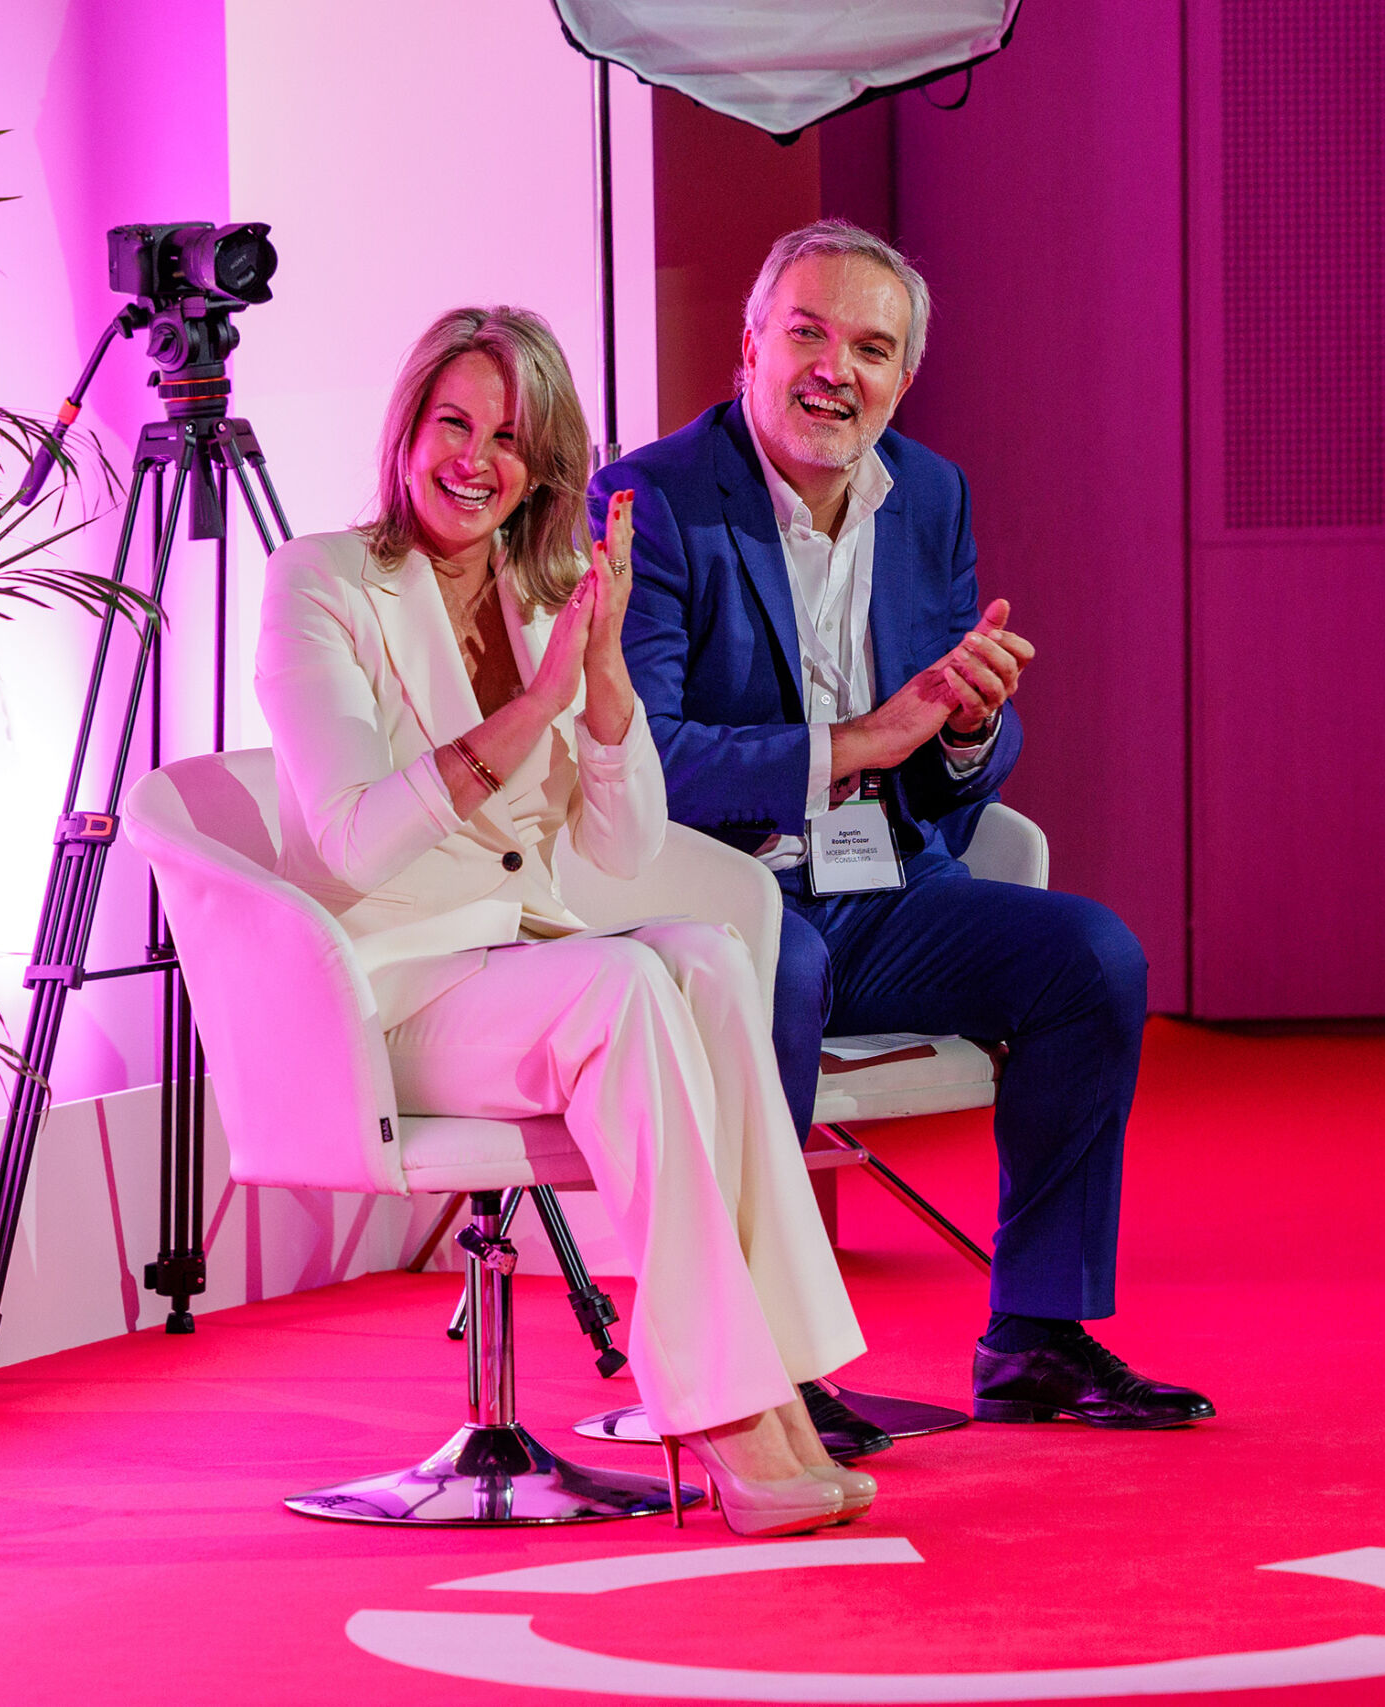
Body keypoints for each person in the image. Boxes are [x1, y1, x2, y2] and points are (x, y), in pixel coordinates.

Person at [255, 305, 872, 1535]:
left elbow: (623, 850)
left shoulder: (544, 601)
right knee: (622, 983)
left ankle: (781, 1382)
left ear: (543, 470)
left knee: (702, 958)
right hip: (385, 990)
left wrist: (597, 684)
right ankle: (720, 1410)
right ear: (407, 427)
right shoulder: (320, 581)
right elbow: (356, 838)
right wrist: (528, 712)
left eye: (510, 440)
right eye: (454, 424)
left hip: (516, 962)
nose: (474, 461)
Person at [591, 221, 1214, 1432]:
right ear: (748, 350)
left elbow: (944, 778)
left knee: (1092, 962)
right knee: (777, 968)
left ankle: (1035, 1336)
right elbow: (641, 755)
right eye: (807, 334)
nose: (836, 370)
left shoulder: (928, 495)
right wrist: (853, 745)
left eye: (870, 349)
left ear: (903, 376)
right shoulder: (652, 501)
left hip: (885, 886)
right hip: (721, 888)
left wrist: (968, 729)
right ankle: (762, 1369)